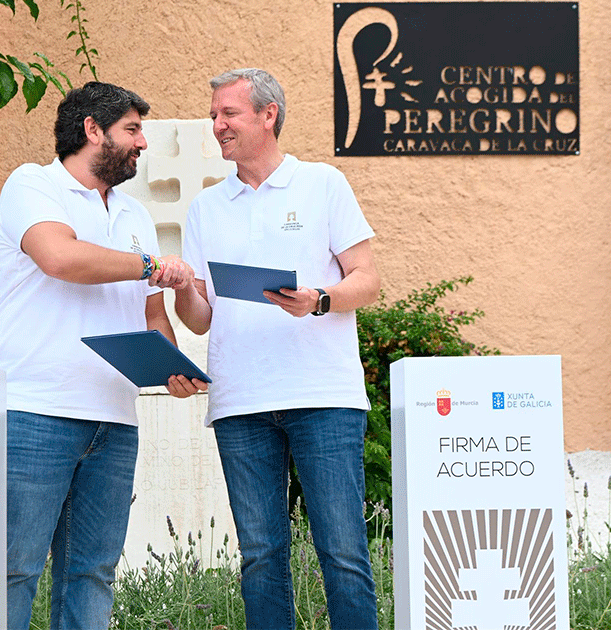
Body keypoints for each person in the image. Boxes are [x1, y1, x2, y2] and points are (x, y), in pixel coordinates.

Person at [0, 81, 205, 630]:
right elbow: (61, 258)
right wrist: (152, 266)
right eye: (132, 129)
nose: (143, 142)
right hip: (34, 411)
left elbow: (152, 316)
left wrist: (172, 367)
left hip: (114, 421)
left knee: (93, 573)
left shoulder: (135, 216)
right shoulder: (32, 185)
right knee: (13, 569)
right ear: (92, 130)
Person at [175, 68, 381, 629]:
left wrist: (319, 300)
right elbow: (201, 319)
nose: (217, 125)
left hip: (323, 395)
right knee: (261, 557)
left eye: (229, 114)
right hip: (241, 401)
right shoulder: (206, 207)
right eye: (213, 115)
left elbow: (367, 280)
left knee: (342, 552)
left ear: (269, 115)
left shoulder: (323, 184)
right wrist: (185, 289)